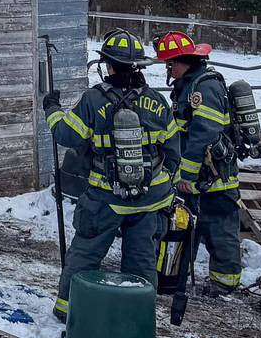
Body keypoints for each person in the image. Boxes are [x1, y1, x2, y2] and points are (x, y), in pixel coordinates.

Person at [42, 29, 181, 321]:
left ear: (109, 65)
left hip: (106, 199)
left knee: (85, 254)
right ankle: (138, 318)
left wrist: (51, 108)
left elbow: (66, 135)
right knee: (142, 261)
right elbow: (173, 151)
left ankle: (67, 310)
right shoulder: (157, 101)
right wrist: (163, 184)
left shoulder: (94, 100)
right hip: (151, 201)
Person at [153, 31, 242, 293]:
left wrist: (187, 177)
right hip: (196, 180)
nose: (168, 69)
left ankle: (224, 285)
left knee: (220, 231)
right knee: (185, 227)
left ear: (184, 61)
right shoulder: (188, 85)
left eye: (171, 63)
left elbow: (204, 135)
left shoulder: (204, 88)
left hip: (214, 180)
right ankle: (178, 277)